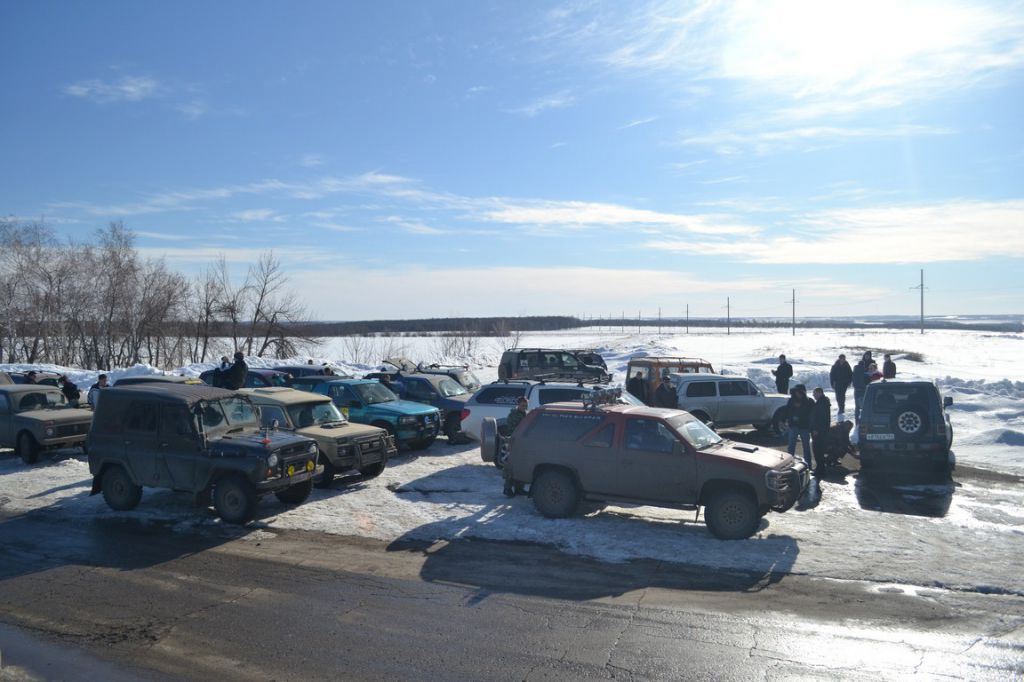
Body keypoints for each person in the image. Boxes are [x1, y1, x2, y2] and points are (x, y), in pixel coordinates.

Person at [786, 384, 813, 467]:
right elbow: (788, 411)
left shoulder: (809, 401)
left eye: (799, 392)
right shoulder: (792, 400)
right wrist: (790, 420)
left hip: (804, 427)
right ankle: (789, 464)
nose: (797, 393)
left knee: (806, 447)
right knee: (791, 446)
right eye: (796, 392)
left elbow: (812, 414)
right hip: (793, 426)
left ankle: (808, 465)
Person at [810, 387, 832, 475]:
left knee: (818, 451)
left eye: (815, 393)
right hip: (820, 431)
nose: (813, 395)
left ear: (820, 393)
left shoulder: (822, 404)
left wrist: (816, 429)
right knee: (819, 451)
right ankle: (820, 469)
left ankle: (820, 470)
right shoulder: (822, 402)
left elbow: (821, 419)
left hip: (819, 432)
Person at [852, 351, 872, 423]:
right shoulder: (865, 372)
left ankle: (856, 420)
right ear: (863, 365)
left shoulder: (854, 372)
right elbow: (868, 381)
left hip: (856, 390)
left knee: (857, 406)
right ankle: (863, 420)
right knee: (864, 405)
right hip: (863, 390)